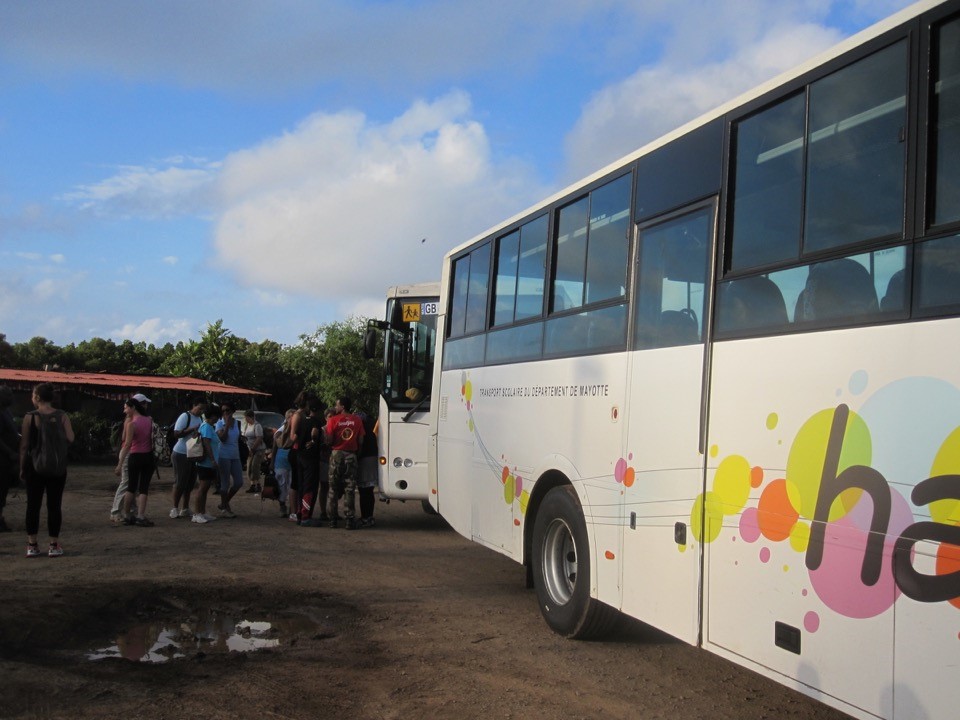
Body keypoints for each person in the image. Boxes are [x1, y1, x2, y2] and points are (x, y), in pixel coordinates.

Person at [19, 382, 74, 556]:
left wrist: (21, 467)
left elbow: (24, 445)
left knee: (33, 505)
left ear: (36, 397)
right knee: (54, 505)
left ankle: (32, 546)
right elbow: (71, 438)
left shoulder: (30, 416)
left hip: (34, 467)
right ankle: (53, 545)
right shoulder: (62, 415)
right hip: (57, 467)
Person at [109, 392, 154, 524]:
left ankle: (128, 513)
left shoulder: (132, 421)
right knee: (133, 485)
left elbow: (126, 441)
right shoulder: (144, 420)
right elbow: (126, 440)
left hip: (134, 454)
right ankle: (123, 512)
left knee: (131, 485)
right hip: (141, 453)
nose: (146, 406)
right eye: (144, 403)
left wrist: (119, 463)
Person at [325, 396, 365, 529]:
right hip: (351, 455)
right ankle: (349, 519)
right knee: (350, 488)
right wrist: (355, 454)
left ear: (342, 406)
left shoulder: (332, 420)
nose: (335, 408)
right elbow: (360, 441)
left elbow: (329, 440)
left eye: (337, 405)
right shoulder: (357, 420)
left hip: (336, 454)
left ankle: (332, 519)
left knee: (333, 488)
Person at [168, 397, 204, 519]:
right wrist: (190, 430)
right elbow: (176, 433)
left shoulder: (200, 418)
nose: (201, 411)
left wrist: (197, 433)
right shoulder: (185, 416)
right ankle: (174, 508)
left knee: (190, 482)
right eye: (200, 408)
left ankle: (185, 507)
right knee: (180, 481)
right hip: (181, 452)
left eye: (203, 409)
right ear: (194, 405)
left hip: (193, 453)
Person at [191, 404, 221, 524]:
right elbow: (207, 444)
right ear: (212, 416)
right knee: (202, 488)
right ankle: (197, 513)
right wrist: (213, 459)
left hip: (208, 463)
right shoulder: (207, 427)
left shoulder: (208, 426)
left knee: (205, 488)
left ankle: (202, 512)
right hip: (206, 463)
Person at [296, 400, 324, 526]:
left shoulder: (302, 420)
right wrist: (313, 440)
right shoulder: (316, 422)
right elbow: (314, 432)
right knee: (309, 486)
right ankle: (305, 516)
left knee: (301, 485)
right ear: (318, 410)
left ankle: (299, 514)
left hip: (300, 456)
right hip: (310, 458)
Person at [215, 401, 244, 518]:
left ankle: (224, 502)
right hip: (223, 455)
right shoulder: (219, 423)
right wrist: (226, 425)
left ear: (233, 411)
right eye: (223, 411)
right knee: (225, 483)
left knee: (238, 482)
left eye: (227, 410)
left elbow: (237, 437)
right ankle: (225, 508)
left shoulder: (238, 423)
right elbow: (223, 438)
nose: (225, 413)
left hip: (235, 455)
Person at [0, 386, 20, 533]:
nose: (12, 397)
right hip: (2, 458)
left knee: (3, 489)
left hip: (8, 459)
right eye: (8, 395)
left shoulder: (6, 411)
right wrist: (10, 452)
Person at [357, 411, 379, 528]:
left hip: (364, 459)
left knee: (363, 491)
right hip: (373, 457)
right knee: (369, 491)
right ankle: (369, 516)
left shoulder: (360, 425)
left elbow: (360, 442)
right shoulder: (373, 423)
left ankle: (365, 517)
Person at [272, 410, 295, 518]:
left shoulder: (296, 430)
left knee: (292, 485)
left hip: (293, 462)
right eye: (291, 417)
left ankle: (293, 508)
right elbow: (275, 446)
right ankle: (282, 505)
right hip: (281, 461)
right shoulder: (280, 431)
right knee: (282, 485)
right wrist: (272, 461)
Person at [241, 410, 265, 494]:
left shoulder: (257, 426)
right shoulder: (247, 425)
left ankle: (257, 485)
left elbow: (259, 438)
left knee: (255, 467)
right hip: (249, 449)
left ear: (251, 417)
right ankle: (252, 485)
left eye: (246, 418)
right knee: (249, 468)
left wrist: (253, 449)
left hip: (258, 450)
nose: (246, 420)